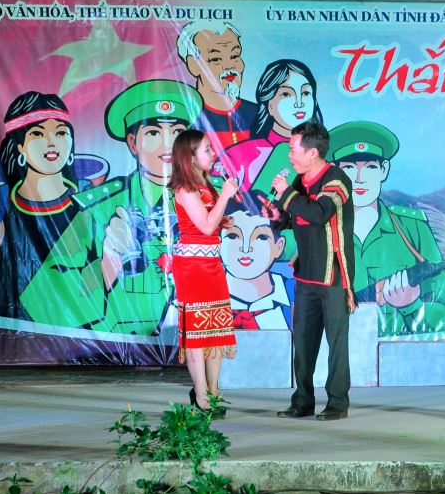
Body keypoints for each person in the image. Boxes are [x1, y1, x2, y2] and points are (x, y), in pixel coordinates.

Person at [22, 80, 202, 337]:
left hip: (198, 338)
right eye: (153, 133)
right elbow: (42, 300)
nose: (167, 144)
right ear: (133, 143)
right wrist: (108, 264)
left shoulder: (209, 200)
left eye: (177, 133)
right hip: (123, 346)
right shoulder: (102, 207)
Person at [260, 122, 355, 421]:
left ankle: (338, 402)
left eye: (293, 149)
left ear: (313, 152)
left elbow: (318, 213)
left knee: (336, 342)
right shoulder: (301, 181)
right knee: (302, 340)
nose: (289, 155)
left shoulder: (336, 179)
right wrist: (278, 215)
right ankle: (302, 400)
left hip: (332, 274)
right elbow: (297, 216)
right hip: (305, 273)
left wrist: (286, 193)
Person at [328, 121, 445, 336]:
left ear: (384, 170)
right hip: (339, 347)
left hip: (400, 350)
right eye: (349, 168)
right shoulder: (320, 229)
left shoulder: (412, 229)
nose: (359, 179)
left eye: (370, 167)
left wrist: (412, 305)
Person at [0, 91, 79, 320]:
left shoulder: (89, 203)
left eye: (60, 132)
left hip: (77, 338)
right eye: (38, 133)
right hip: (12, 337)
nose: (51, 142)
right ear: (20, 147)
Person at [169, 129, 239, 410]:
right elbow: (206, 227)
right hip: (193, 267)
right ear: (190, 157)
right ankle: (200, 395)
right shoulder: (185, 189)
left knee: (216, 327)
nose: (212, 154)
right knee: (197, 332)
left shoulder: (205, 184)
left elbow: (210, 222)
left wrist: (224, 219)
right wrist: (225, 197)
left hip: (212, 263)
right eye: (206, 149)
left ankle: (213, 390)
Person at [221, 58, 323, 192]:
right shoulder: (237, 155)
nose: (299, 103)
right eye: (286, 94)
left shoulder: (323, 154)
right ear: (269, 104)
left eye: (305, 93)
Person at [177, 21, 257, 150]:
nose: (229, 66)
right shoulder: (185, 118)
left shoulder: (258, 114)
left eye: (234, 56)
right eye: (215, 59)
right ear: (193, 65)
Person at [221, 192, 294, 330]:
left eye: (261, 237)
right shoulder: (204, 294)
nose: (245, 249)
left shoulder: (295, 293)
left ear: (279, 246)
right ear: (219, 242)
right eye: (233, 236)